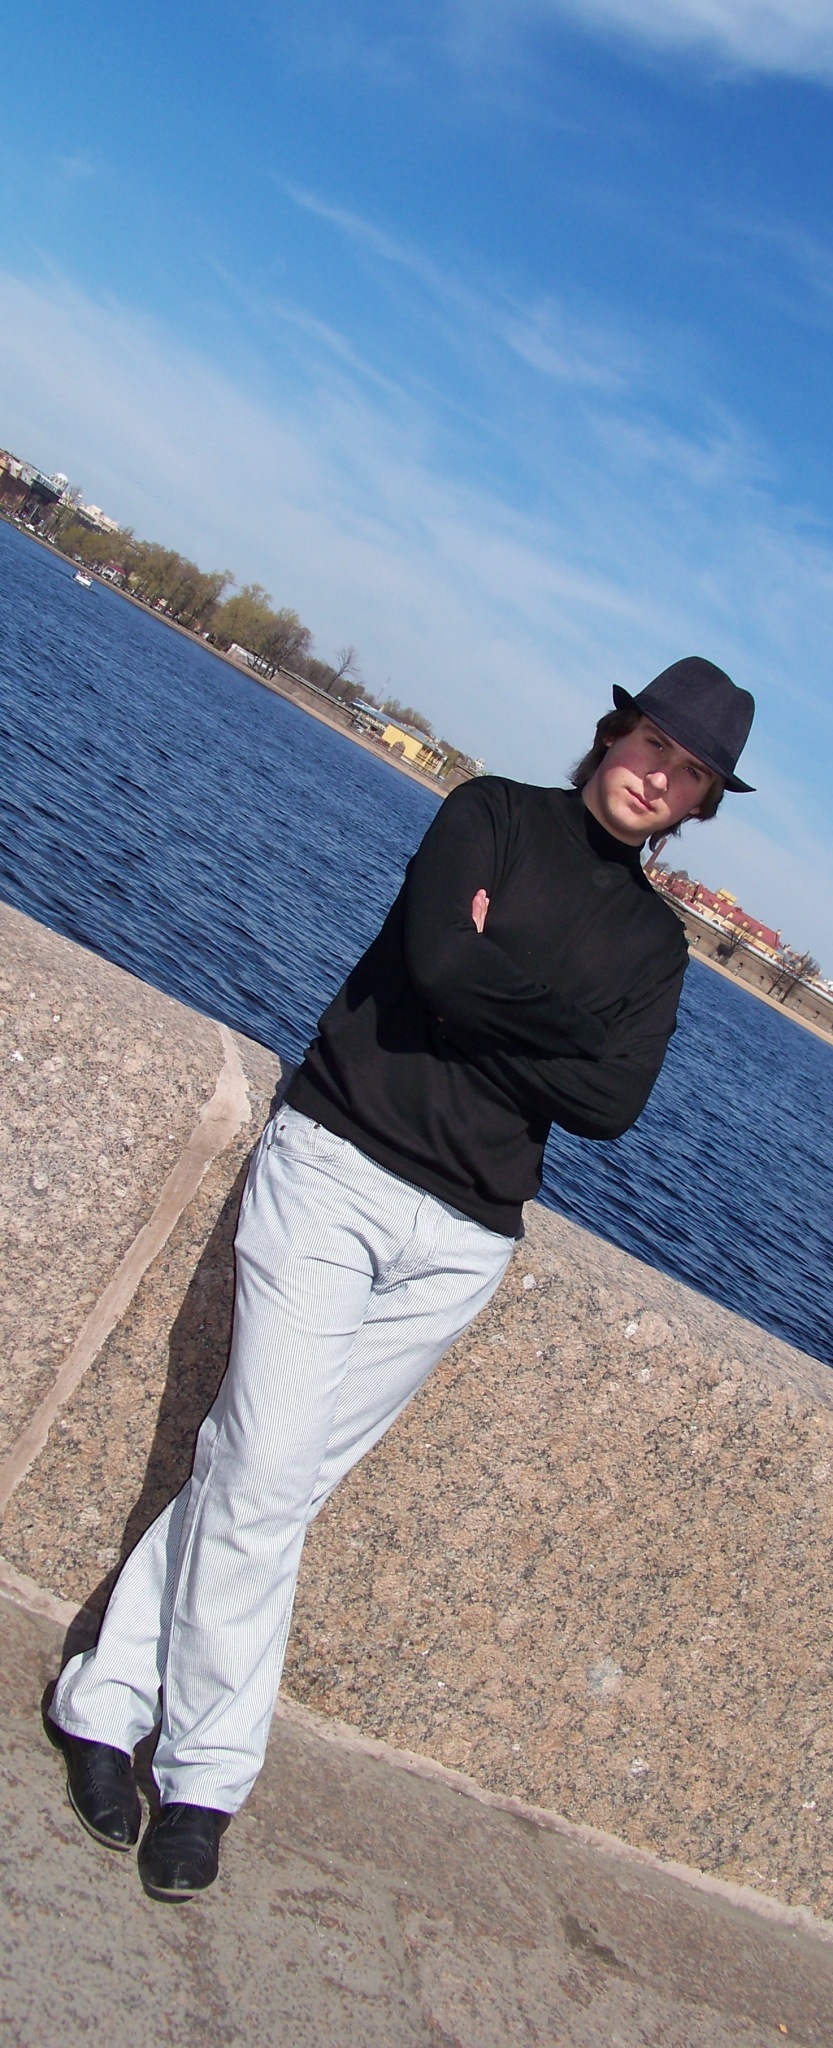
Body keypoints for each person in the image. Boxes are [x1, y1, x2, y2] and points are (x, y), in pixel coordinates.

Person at [48, 655, 755, 1900]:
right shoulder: (489, 814)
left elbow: (611, 1103)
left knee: (267, 1479)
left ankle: (103, 1701)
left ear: (699, 802)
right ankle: (208, 1774)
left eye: (689, 771)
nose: (659, 776)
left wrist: (494, 990)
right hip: (337, 1167)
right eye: (654, 743)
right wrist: (559, 1022)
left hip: (466, 1238)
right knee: (265, 1474)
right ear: (614, 731)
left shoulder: (654, 944)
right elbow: (435, 965)